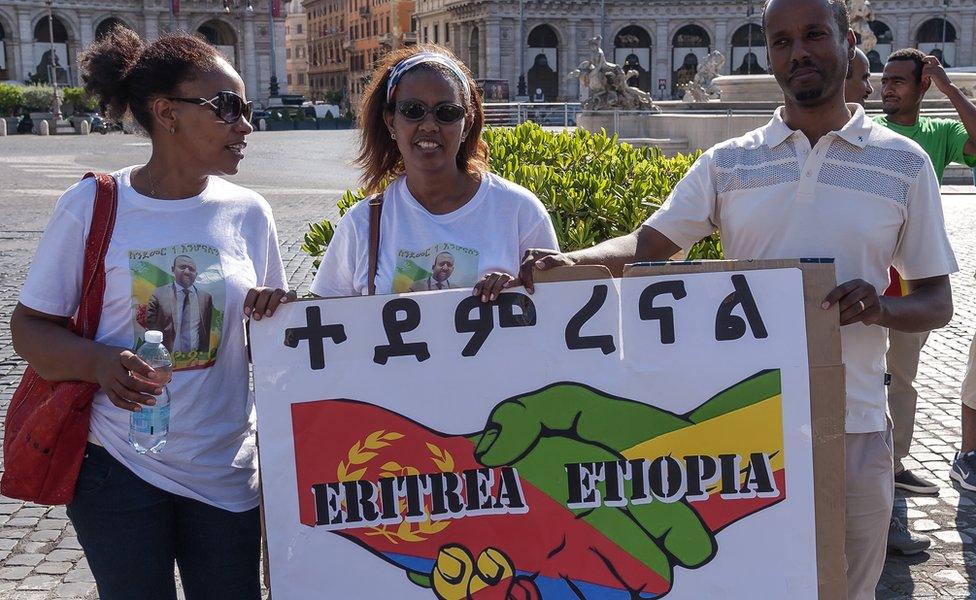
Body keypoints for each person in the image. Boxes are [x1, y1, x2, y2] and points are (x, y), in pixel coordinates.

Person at [519, 1, 955, 597]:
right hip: (742, 434)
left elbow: (937, 301)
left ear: (850, 41)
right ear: (770, 53)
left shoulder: (904, 163)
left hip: (852, 425)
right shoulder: (729, 162)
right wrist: (570, 262)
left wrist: (879, 306)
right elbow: (649, 246)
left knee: (851, 588)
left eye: (813, 35)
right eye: (780, 41)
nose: (797, 52)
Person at [9, 27, 294, 600]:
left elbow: (270, 334)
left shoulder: (248, 212)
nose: (246, 124)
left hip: (225, 469)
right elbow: (28, 328)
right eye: (228, 107)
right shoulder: (92, 204)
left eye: (246, 108)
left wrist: (274, 310)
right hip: (118, 465)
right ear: (166, 113)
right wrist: (99, 363)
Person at [310, 45, 558, 302]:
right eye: (412, 110)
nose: (429, 125)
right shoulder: (361, 223)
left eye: (447, 113)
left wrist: (517, 294)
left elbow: (553, 310)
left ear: (467, 124)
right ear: (390, 120)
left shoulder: (520, 211)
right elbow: (325, 325)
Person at [874, 49, 976, 502]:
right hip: (869, 266)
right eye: (884, 79)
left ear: (922, 86)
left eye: (898, 80)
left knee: (902, 372)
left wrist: (952, 89)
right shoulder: (867, 130)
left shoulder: (939, 132)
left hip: (913, 272)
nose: (888, 87)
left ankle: (893, 464)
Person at [146, 255, 214, 354]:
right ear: (173, 269)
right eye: (182, 267)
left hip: (196, 359)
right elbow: (151, 326)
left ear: (196, 273)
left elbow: (206, 330)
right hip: (166, 358)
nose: (187, 272)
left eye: (191, 269)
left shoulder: (206, 298)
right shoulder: (158, 294)